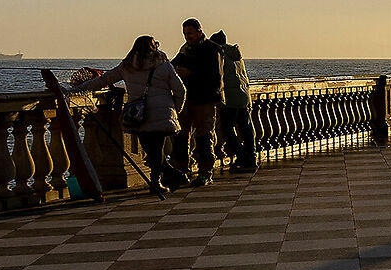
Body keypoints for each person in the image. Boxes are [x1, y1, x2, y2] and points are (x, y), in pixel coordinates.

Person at [69, 35, 189, 197]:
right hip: (163, 114)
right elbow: (180, 90)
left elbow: (103, 80)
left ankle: (158, 182)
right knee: (156, 151)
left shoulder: (127, 66)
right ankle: (170, 177)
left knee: (152, 151)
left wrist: (77, 88)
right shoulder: (164, 65)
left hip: (139, 115)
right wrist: (176, 109)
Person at [170, 19, 224, 185]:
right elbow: (171, 66)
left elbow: (216, 78)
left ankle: (205, 172)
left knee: (204, 136)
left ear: (200, 32)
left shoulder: (213, 49)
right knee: (181, 135)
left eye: (190, 33)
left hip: (205, 100)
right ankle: (181, 169)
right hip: (187, 99)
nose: (187, 37)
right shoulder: (185, 49)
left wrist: (190, 74)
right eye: (185, 34)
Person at [211, 31, 256, 173]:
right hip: (244, 96)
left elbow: (217, 77)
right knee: (246, 129)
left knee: (227, 130)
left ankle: (242, 156)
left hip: (230, 98)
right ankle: (251, 157)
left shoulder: (221, 55)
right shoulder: (236, 55)